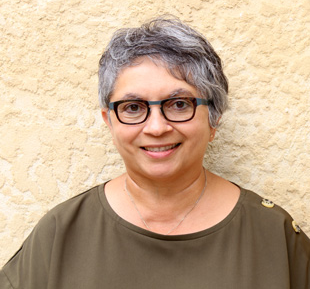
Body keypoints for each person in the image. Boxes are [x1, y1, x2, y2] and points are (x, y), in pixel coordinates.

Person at [1, 16, 309, 289]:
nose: (157, 127)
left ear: (214, 119)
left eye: (179, 104)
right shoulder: (61, 234)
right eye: (133, 107)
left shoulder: (275, 236)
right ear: (110, 122)